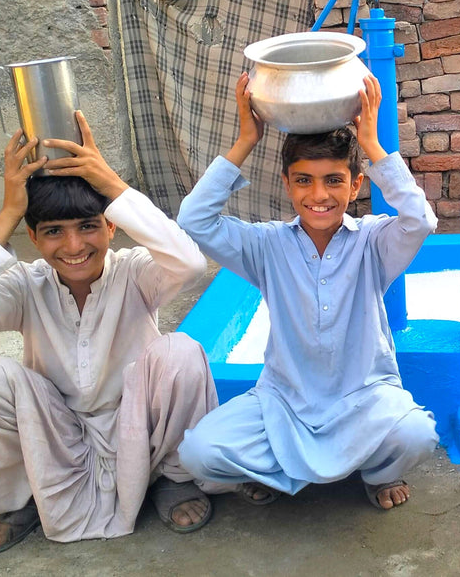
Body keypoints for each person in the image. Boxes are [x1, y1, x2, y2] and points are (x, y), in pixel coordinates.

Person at [176, 72, 439, 511]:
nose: (319, 195)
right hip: (284, 403)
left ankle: (375, 475)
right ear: (287, 184)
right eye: (304, 181)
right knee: (198, 454)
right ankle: (282, 470)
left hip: (364, 398)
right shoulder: (266, 245)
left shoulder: (373, 242)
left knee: (417, 435)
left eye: (334, 180)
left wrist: (372, 145)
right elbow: (194, 219)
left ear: (356, 185)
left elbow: (421, 221)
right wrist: (245, 141)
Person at [0, 113, 222, 554]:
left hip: (137, 430)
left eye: (88, 226)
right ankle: (23, 495)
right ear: (33, 239)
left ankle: (174, 478)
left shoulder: (133, 273)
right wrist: (9, 213)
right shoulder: (24, 284)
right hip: (53, 432)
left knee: (181, 353)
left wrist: (114, 186)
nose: (74, 247)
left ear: (112, 227)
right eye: (54, 231)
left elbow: (189, 265)